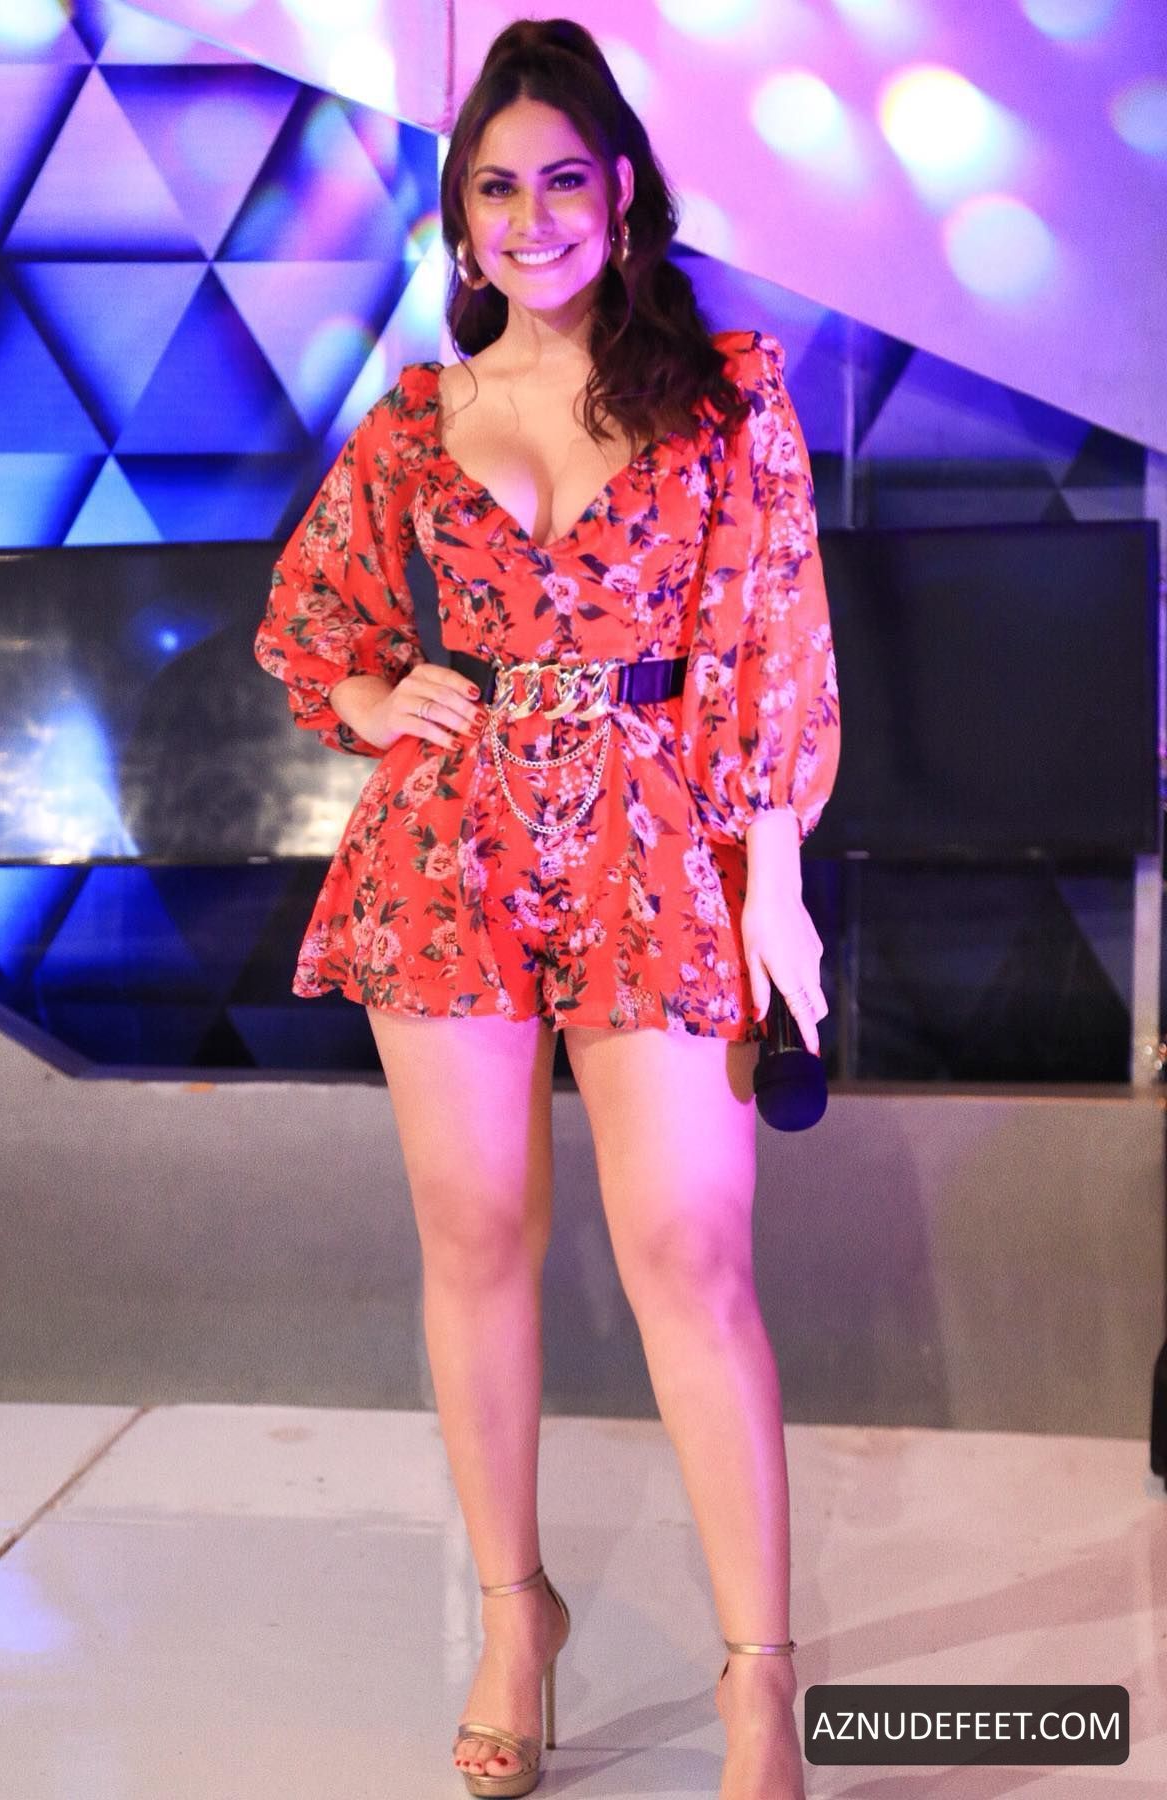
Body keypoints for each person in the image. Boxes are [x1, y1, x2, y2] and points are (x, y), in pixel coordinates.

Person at [254, 18, 840, 1797]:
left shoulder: (723, 397)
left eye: (563, 180)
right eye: (497, 188)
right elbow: (310, 623)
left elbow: (770, 646)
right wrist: (377, 703)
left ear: (623, 189)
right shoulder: (413, 423)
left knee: (690, 1253)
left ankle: (761, 1683)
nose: (532, 218)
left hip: (659, 843)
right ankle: (517, 1616)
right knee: (475, 1239)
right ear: (463, 216)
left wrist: (777, 884)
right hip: (449, 854)